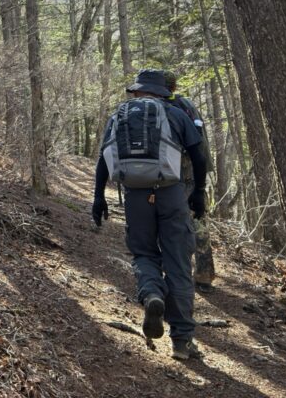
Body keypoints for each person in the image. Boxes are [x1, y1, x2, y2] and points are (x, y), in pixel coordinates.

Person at [91, 68, 207, 360]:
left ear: (139, 90)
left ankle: (152, 293)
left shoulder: (119, 115)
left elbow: (104, 159)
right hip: (171, 193)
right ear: (163, 92)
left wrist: (98, 198)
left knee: (143, 253)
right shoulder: (176, 113)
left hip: (135, 195)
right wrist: (199, 192)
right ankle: (182, 341)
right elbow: (198, 155)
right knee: (178, 262)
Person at [163, 70, 217, 291]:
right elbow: (202, 142)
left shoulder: (163, 108)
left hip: (174, 175)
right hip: (196, 172)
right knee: (199, 222)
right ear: (174, 87)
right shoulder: (187, 105)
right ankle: (204, 276)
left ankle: (178, 273)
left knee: (175, 224)